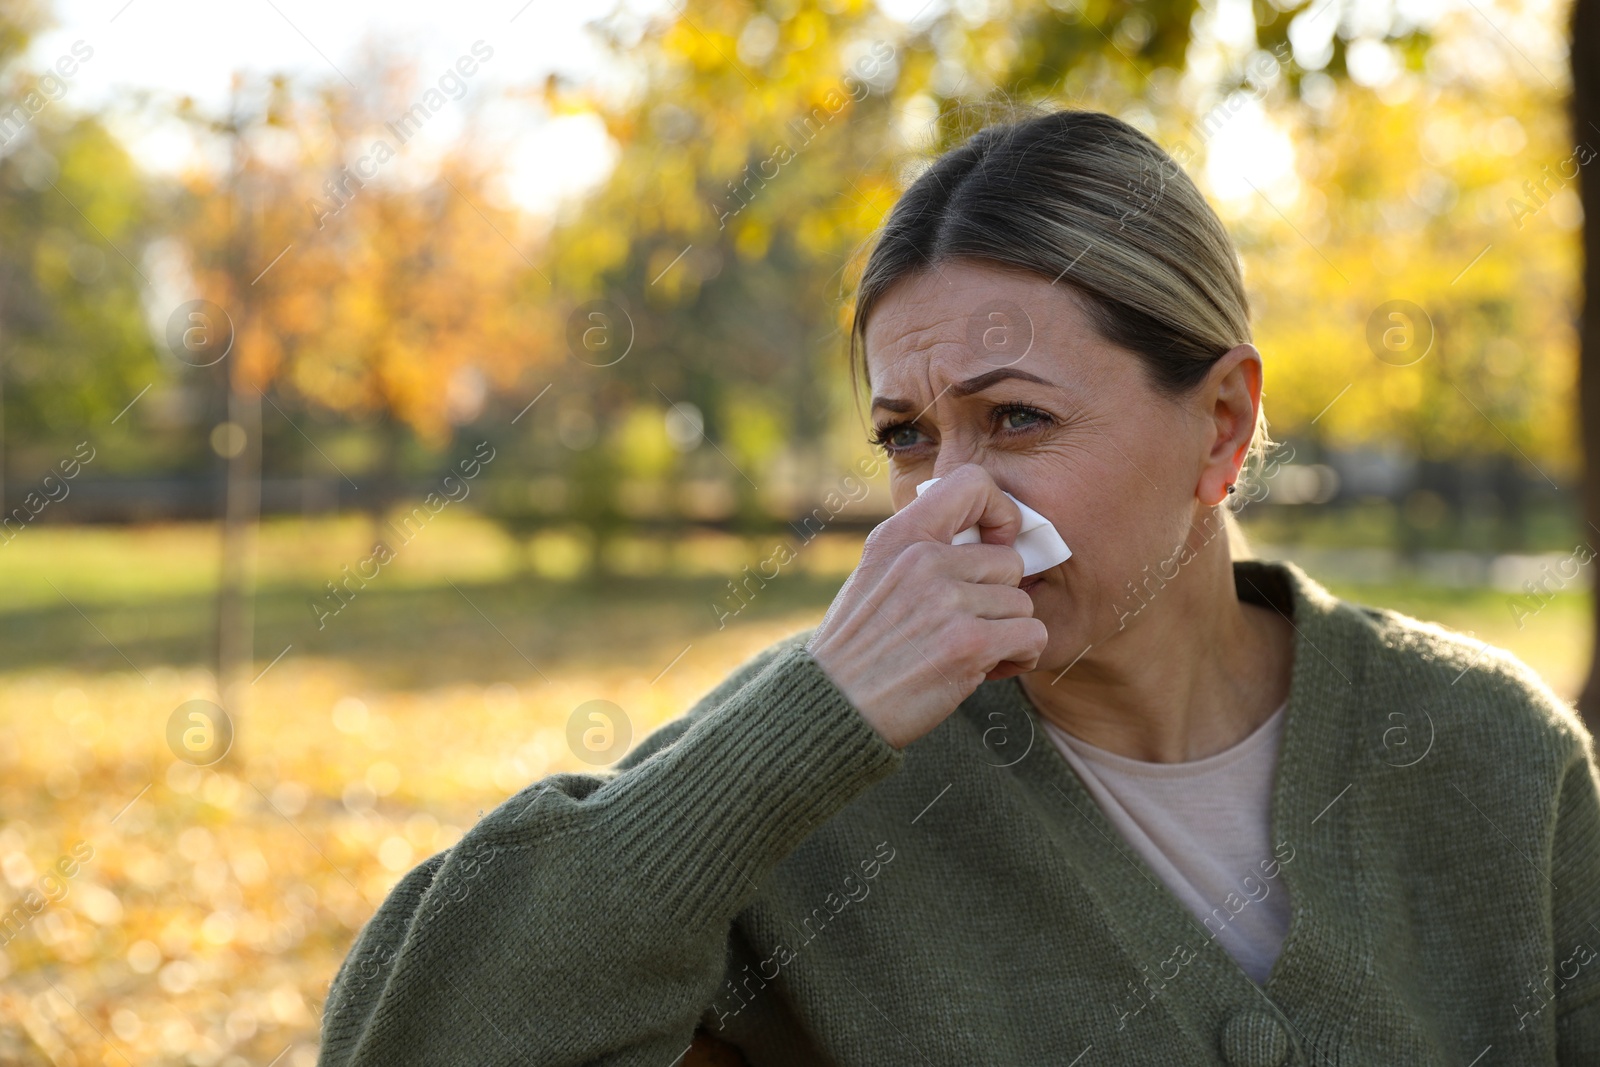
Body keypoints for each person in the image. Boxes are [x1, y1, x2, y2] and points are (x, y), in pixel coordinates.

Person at [316, 109, 1600, 1065]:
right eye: (905, 435)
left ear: (1218, 424)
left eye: (1020, 420)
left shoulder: (1491, 756)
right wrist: (796, 736)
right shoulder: (818, 757)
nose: (949, 502)